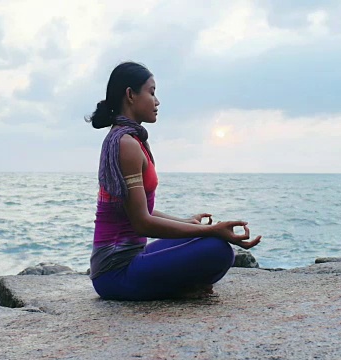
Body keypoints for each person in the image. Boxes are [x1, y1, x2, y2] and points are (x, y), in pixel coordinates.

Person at [85, 61, 261, 301]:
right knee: (217, 250)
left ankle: (180, 285)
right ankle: (180, 287)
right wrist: (211, 229)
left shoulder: (129, 140)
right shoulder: (125, 144)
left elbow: (139, 210)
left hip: (129, 261)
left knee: (207, 239)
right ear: (130, 95)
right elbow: (142, 223)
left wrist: (189, 223)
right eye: (152, 92)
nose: (157, 101)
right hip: (115, 273)